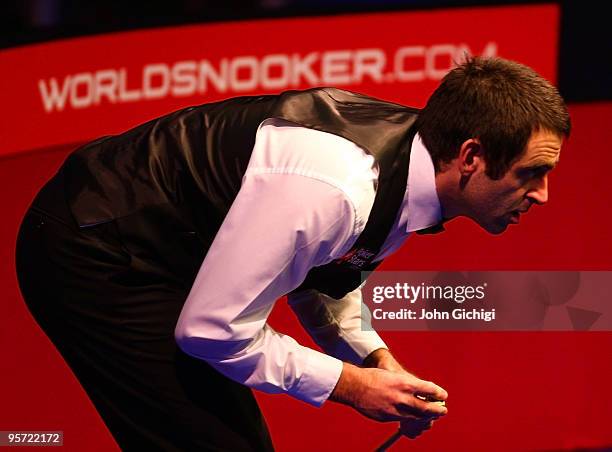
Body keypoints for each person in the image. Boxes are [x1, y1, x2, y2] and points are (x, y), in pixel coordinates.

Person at [15, 56, 570, 451]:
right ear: (471, 156)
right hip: (94, 245)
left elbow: (327, 273)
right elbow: (211, 330)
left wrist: (377, 365)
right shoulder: (339, 188)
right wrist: (352, 387)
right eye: (532, 173)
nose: (543, 196)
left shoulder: (418, 164)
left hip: (167, 246)